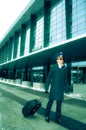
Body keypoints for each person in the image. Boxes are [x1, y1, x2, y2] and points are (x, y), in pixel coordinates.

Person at [45, 52, 68, 125]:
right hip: (53, 89)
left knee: (59, 105)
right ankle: (47, 115)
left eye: (62, 58)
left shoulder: (65, 68)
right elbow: (48, 78)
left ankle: (58, 118)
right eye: (60, 58)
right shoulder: (53, 68)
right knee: (50, 103)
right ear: (57, 60)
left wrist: (66, 87)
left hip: (60, 90)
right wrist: (46, 88)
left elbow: (66, 79)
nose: (61, 59)